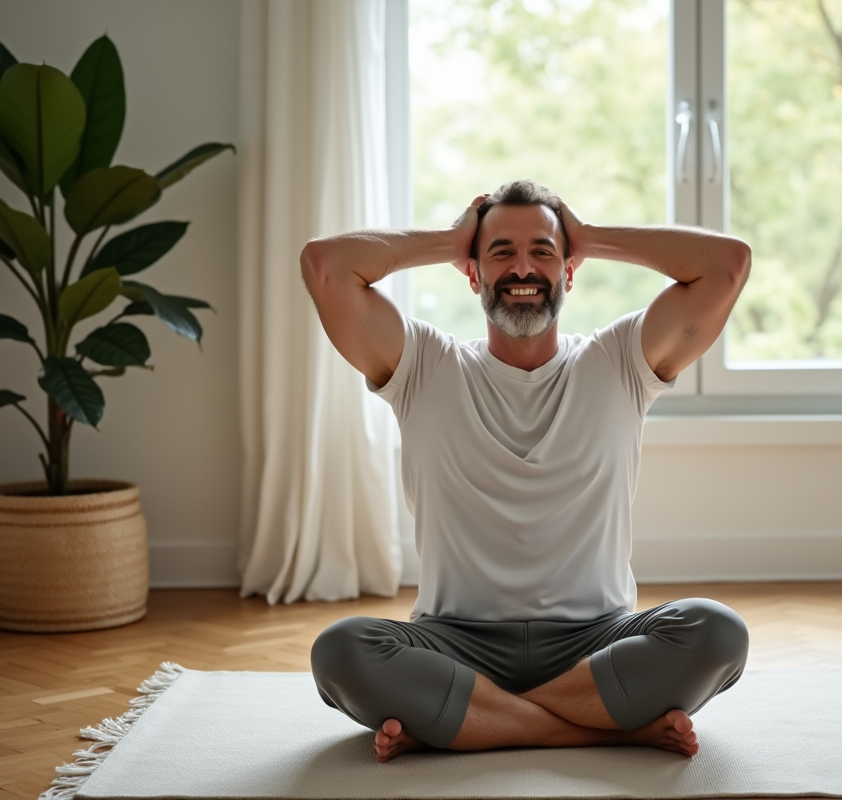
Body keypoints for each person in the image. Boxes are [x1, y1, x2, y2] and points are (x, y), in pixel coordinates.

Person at [301, 179, 752, 763]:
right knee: (340, 651)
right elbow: (326, 265)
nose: (523, 268)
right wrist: (449, 239)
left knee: (717, 633)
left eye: (543, 251)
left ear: (569, 272)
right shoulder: (423, 365)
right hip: (453, 643)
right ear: (473, 274)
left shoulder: (619, 362)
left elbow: (728, 264)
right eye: (500, 253)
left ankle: (466, 721)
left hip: (595, 642)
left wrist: (589, 236)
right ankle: (604, 729)